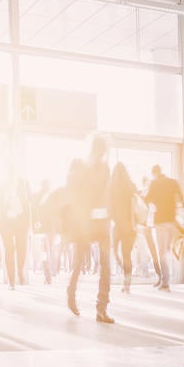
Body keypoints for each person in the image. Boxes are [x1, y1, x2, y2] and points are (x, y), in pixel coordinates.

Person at [65, 135, 116, 324]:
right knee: (79, 263)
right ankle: (71, 292)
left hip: (101, 222)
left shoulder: (104, 168)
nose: (102, 154)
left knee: (106, 266)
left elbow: (106, 194)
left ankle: (101, 308)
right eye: (100, 150)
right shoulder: (78, 165)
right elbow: (72, 194)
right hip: (83, 223)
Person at [0, 163, 32, 290]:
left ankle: (20, 270)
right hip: (5, 221)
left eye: (12, 171)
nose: (10, 174)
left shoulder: (24, 182)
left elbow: (30, 201)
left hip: (21, 221)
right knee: (9, 249)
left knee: (22, 248)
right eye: (8, 171)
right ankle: (11, 281)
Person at [144, 165, 183, 291]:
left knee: (162, 252)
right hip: (172, 220)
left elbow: (146, 199)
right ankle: (169, 277)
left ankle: (165, 282)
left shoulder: (154, 183)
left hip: (160, 221)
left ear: (154, 173)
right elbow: (181, 200)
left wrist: (154, 202)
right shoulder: (173, 182)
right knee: (168, 249)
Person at [110, 163, 141, 293]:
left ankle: (124, 273)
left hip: (118, 226)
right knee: (127, 254)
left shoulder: (111, 188)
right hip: (131, 227)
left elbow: (109, 208)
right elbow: (139, 202)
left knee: (116, 252)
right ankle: (127, 282)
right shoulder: (131, 186)